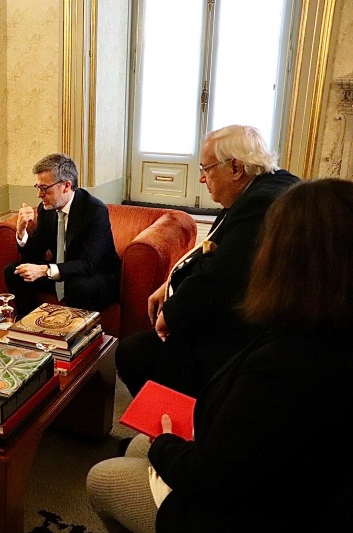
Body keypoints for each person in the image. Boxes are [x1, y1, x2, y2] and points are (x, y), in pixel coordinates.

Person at [85, 178, 353, 533]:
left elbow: (212, 476)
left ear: (289, 257)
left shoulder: (288, 362)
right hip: (280, 481)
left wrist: (166, 443)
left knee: (102, 477)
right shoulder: (325, 327)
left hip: (256, 511)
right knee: (136, 445)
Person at [115, 125, 299, 399]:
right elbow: (209, 253)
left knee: (137, 353)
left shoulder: (260, 203)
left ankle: (176, 435)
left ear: (235, 168)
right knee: (140, 350)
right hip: (239, 318)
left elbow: (220, 279)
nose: (202, 179)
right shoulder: (263, 188)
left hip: (245, 334)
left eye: (206, 169)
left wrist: (171, 314)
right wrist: (169, 283)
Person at [3, 153, 120, 316]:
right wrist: (21, 231)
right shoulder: (46, 209)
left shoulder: (94, 210)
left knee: (76, 285)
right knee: (13, 272)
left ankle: (74, 336)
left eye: (44, 188)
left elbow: (89, 264)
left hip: (95, 277)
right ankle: (28, 325)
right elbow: (34, 253)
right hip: (61, 275)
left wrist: (45, 270)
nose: (39, 195)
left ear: (66, 186)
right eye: (37, 187)